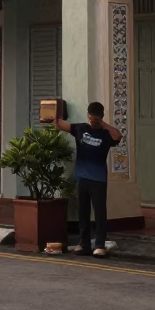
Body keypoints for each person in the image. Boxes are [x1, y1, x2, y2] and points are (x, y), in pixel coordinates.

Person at [55, 102, 122, 256]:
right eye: (91, 118)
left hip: (98, 179)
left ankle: (100, 245)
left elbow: (118, 136)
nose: (93, 121)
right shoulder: (81, 129)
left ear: (101, 117)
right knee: (83, 213)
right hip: (82, 178)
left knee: (99, 213)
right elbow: (61, 125)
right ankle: (84, 244)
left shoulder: (106, 135)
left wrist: (103, 123)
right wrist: (53, 113)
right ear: (88, 115)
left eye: (96, 119)